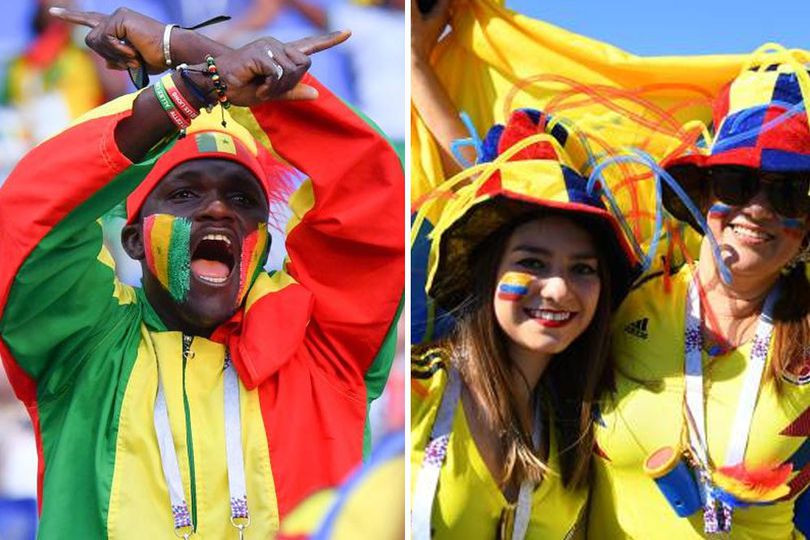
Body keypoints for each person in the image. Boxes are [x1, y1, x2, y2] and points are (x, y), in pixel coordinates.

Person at [0, 6, 403, 539]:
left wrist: (189, 50)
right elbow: (26, 219)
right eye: (185, 194)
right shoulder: (81, 351)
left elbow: (372, 196)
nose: (219, 212)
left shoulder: (323, 347)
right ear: (132, 240)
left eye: (243, 199)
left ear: (262, 242)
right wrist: (185, 89)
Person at [589, 63, 810, 538]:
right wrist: (419, 67)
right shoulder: (616, 300)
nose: (758, 208)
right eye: (736, 181)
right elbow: (519, 242)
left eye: (788, 192)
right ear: (704, 191)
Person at [410, 99, 639, 536]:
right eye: (532, 263)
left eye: (583, 269)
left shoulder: (579, 431)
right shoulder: (421, 390)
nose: (558, 289)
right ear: (488, 272)